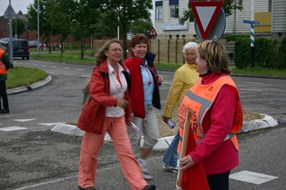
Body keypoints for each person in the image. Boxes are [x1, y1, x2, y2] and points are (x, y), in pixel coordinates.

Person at [77, 39, 156, 190]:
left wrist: (128, 113)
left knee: (127, 153)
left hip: (118, 117)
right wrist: (114, 101)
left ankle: (140, 186)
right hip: (99, 117)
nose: (118, 52)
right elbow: (96, 93)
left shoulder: (123, 70)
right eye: (114, 50)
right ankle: (85, 184)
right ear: (106, 52)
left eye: (120, 50)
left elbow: (126, 95)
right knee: (90, 153)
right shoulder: (99, 71)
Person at [177, 40, 243, 190]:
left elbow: (219, 129)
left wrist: (195, 156)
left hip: (215, 161)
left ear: (207, 62)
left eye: (198, 57)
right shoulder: (203, 81)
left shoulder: (225, 88)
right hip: (199, 157)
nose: (195, 60)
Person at [124, 34, 163, 180]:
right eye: (139, 46)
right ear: (132, 49)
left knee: (153, 137)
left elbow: (147, 82)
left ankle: (141, 161)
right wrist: (127, 109)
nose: (142, 49)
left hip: (149, 107)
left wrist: (157, 80)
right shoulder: (128, 64)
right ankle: (132, 172)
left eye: (144, 46)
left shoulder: (148, 63)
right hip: (134, 109)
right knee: (133, 141)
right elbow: (124, 87)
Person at [161, 42, 199, 173]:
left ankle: (169, 160)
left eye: (192, 54)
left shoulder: (201, 69)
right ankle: (170, 161)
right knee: (182, 136)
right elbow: (173, 93)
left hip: (198, 110)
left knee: (183, 135)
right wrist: (167, 113)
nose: (189, 57)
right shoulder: (182, 71)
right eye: (187, 54)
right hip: (186, 110)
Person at [0, 48, 13, 114]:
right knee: (2, 93)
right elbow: (8, 65)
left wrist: (3, 70)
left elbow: (8, 64)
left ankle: (6, 108)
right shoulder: (1, 53)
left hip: (1, 76)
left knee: (2, 93)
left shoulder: (1, 53)